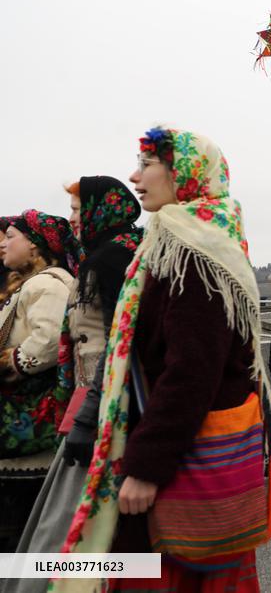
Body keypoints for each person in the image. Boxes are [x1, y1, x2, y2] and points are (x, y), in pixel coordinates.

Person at [60, 128, 271, 591]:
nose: (135, 176)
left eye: (147, 164)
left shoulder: (194, 254)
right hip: (177, 448)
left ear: (186, 175)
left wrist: (146, 467)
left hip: (184, 461)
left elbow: (190, 374)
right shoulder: (178, 239)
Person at [10, 178, 141, 590]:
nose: (72, 219)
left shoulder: (112, 258)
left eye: (78, 210)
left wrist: (89, 413)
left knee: (78, 519)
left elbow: (122, 342)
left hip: (103, 403)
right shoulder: (107, 254)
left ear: (103, 210)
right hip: (96, 398)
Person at [0, 211, 79, 551]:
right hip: (23, 432)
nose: (3, 243)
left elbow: (48, 343)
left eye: (11, 236)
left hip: (30, 429)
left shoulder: (47, 284)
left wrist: (8, 364)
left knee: (21, 535)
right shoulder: (32, 283)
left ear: (34, 245)